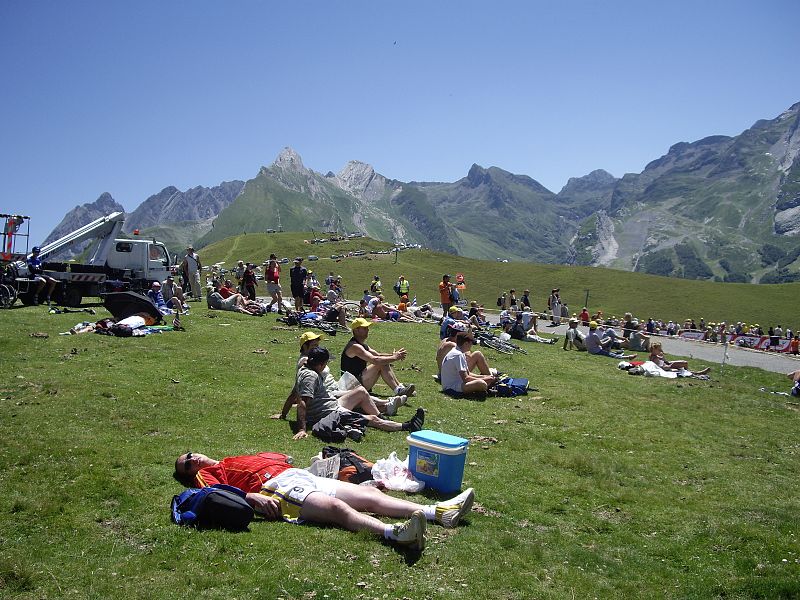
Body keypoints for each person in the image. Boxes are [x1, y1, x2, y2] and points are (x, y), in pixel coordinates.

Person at [173, 451, 475, 551]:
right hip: (274, 487)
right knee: (335, 510)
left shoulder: (231, 458)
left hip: (296, 473)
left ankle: (439, 512)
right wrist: (250, 496)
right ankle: (395, 534)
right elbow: (212, 495)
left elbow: (283, 457)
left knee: (370, 494)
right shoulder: (209, 474)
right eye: (187, 465)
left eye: (188, 455)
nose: (192, 460)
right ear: (190, 474)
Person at [341, 318, 416, 397]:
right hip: (350, 386)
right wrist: (394, 357)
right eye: (364, 328)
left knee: (383, 362)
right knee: (381, 363)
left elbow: (377, 355)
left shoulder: (362, 345)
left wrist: (394, 355)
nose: (368, 330)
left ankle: (400, 388)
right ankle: (398, 390)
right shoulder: (355, 347)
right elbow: (375, 360)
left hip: (357, 381)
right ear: (356, 330)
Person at [440, 331, 497, 397]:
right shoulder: (458, 355)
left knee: (483, 381)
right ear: (466, 343)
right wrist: (485, 379)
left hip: (454, 383)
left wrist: (485, 377)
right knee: (482, 383)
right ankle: (483, 390)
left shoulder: (458, 351)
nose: (471, 345)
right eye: (471, 343)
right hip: (451, 387)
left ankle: (484, 389)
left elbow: (468, 373)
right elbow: (466, 378)